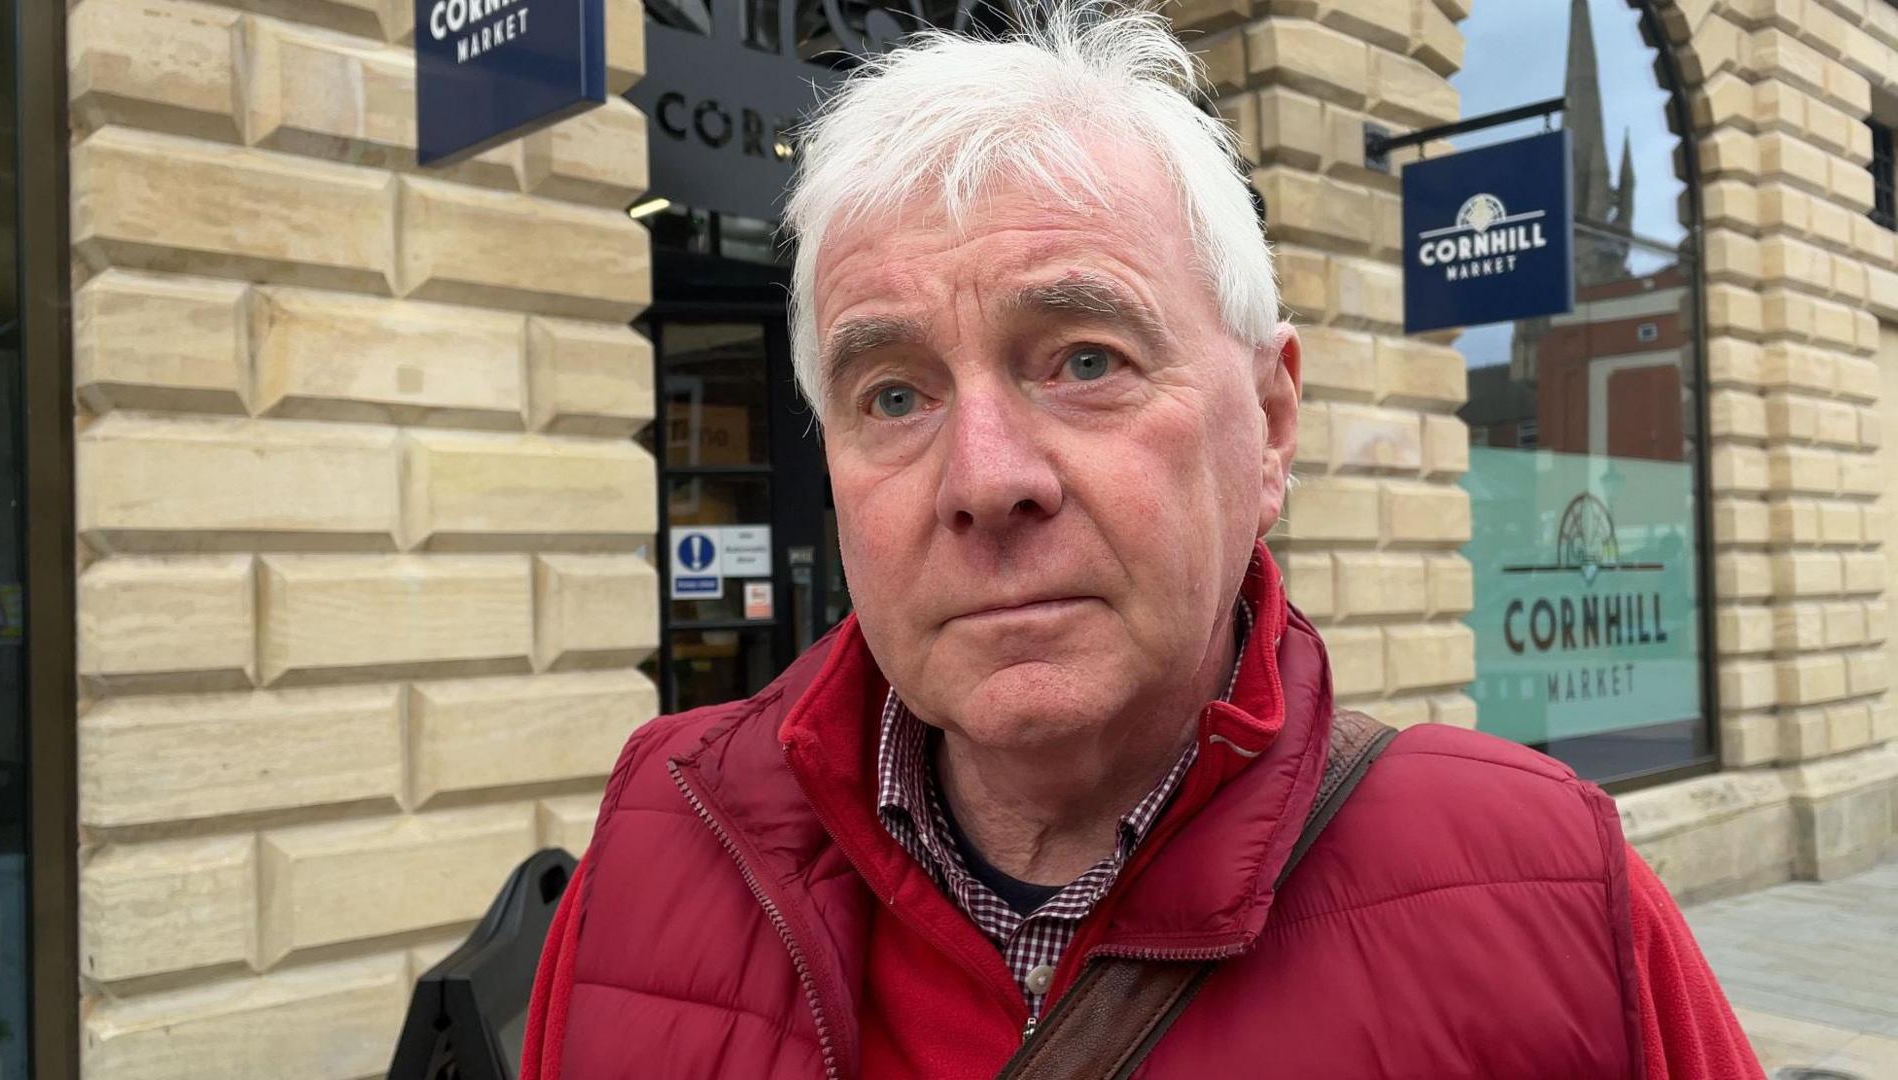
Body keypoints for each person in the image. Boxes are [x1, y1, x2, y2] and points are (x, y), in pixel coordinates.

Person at [524, 5, 1764, 1076]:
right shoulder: (664, 836)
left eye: (1085, 360)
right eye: (894, 395)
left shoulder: (1547, 888)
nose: (986, 480)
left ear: (1270, 427)